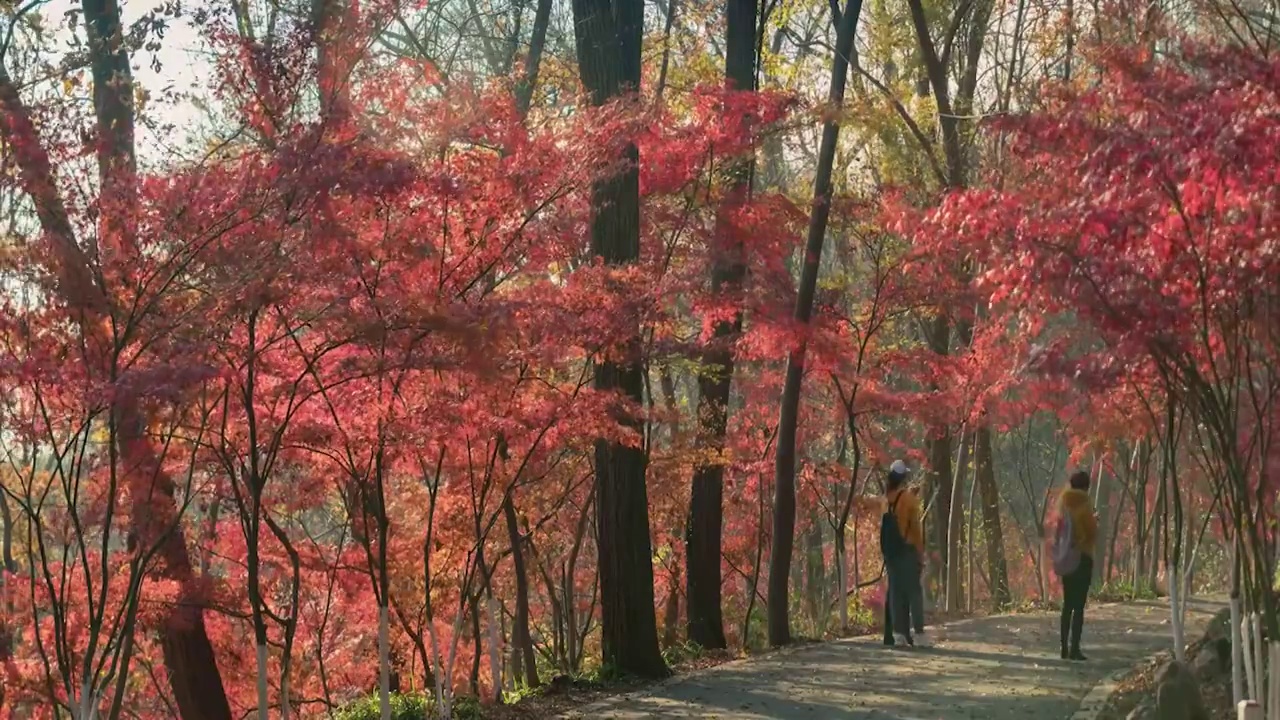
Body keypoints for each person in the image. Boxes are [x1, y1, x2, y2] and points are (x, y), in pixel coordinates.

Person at [882, 459, 929, 647]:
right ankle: (919, 635)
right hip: (907, 550)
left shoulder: (886, 500)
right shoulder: (910, 500)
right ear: (903, 478)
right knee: (914, 592)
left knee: (896, 592)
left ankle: (899, 634)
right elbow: (916, 530)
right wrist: (920, 552)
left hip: (891, 552)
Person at [1057, 469, 1098, 661]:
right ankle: (1075, 649)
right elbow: (1090, 533)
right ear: (1085, 486)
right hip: (1082, 558)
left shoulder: (1063, 503)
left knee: (1067, 605)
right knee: (1079, 606)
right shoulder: (1085, 504)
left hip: (1066, 558)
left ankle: (1063, 647)